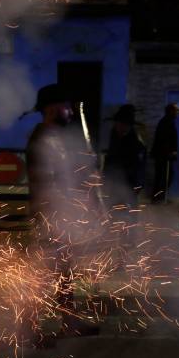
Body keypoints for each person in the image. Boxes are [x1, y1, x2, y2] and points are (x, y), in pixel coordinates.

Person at [25, 84, 100, 342]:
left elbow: (65, 177)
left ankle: (70, 323)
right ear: (52, 108)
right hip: (50, 218)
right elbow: (47, 184)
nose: (70, 111)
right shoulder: (42, 139)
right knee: (42, 276)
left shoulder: (54, 138)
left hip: (60, 217)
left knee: (64, 275)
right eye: (66, 106)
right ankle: (29, 331)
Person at [103, 104, 146, 208]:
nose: (118, 127)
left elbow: (140, 164)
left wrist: (138, 183)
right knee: (113, 207)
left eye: (121, 124)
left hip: (129, 181)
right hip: (114, 180)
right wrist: (105, 175)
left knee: (129, 208)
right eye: (117, 124)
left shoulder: (135, 141)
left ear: (128, 126)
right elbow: (111, 156)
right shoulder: (114, 134)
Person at [151, 103, 179, 203]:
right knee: (163, 176)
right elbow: (163, 140)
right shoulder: (165, 122)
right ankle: (158, 197)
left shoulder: (168, 122)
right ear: (171, 111)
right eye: (176, 110)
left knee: (163, 176)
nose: (177, 113)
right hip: (163, 155)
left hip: (164, 154)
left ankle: (159, 197)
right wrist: (169, 152)